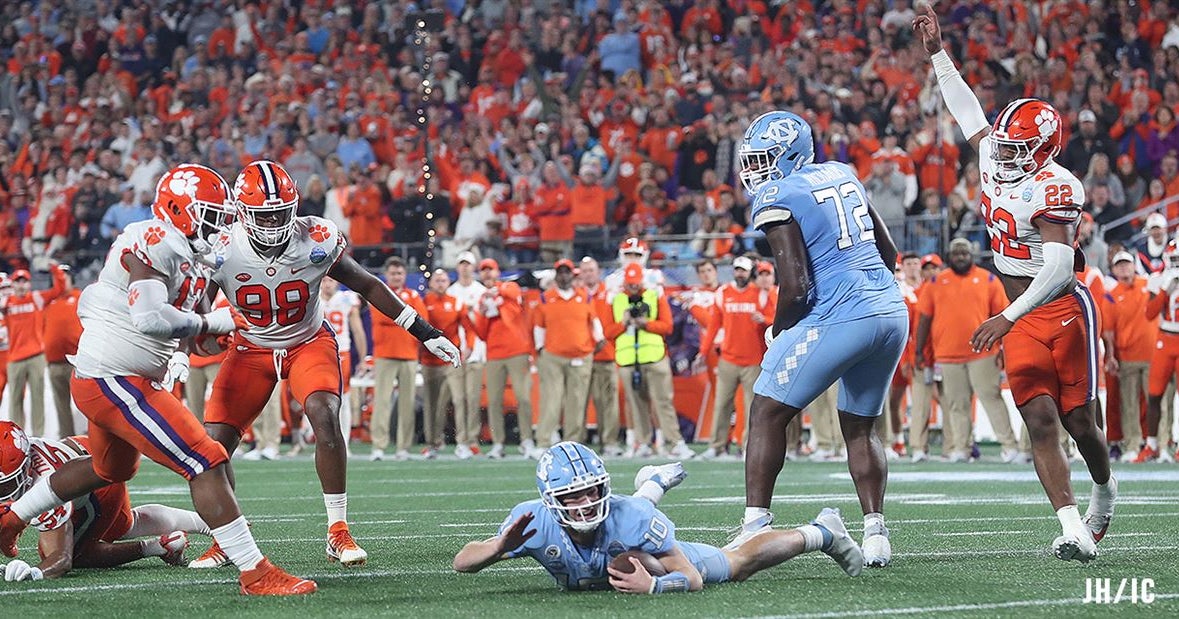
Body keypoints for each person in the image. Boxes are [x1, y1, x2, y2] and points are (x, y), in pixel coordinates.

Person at [0, 164, 315, 595]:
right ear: (177, 209)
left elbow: (193, 333)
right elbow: (149, 317)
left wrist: (221, 335)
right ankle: (255, 572)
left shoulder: (197, 254)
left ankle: (11, 518)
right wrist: (214, 320)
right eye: (209, 213)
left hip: (113, 377)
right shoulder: (152, 240)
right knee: (206, 458)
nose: (220, 223)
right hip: (113, 376)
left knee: (110, 467)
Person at [917, 6, 1116, 563]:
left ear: (1044, 152)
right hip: (1019, 313)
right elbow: (966, 109)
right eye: (1000, 145)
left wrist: (1007, 315)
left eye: (1013, 149)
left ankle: (1104, 486)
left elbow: (1056, 268)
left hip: (1062, 309)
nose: (1000, 153)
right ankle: (1072, 525)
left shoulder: (1056, 186)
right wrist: (938, 53)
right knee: (1038, 417)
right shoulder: (996, 151)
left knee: (1081, 422)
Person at [192, 161, 459, 569]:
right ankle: (229, 541)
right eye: (267, 216)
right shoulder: (223, 247)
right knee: (213, 445)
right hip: (251, 348)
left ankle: (337, 530)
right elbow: (202, 303)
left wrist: (425, 331)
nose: (277, 223)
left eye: (283, 213)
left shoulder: (314, 238)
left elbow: (367, 283)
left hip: (307, 341)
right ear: (244, 214)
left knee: (324, 414)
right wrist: (203, 332)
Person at [728, 110, 908, 570]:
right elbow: (889, 253)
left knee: (768, 409)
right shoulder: (841, 172)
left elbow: (796, 288)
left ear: (790, 155)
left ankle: (754, 526)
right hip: (889, 309)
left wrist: (778, 328)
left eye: (764, 159)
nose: (755, 171)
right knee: (860, 426)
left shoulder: (779, 192)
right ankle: (876, 533)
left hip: (842, 311)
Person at [452, 442, 862, 592]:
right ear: (550, 499)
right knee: (632, 527)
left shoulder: (628, 516)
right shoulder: (534, 522)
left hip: (647, 540)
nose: (586, 502)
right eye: (572, 495)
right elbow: (462, 564)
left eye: (593, 490)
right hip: (631, 521)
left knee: (736, 562)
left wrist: (656, 587)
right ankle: (656, 481)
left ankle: (820, 532)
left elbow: (693, 578)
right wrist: (497, 547)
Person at [0, 422, 208, 580]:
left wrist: (34, 574)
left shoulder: (42, 482)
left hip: (98, 485)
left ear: (26, 468)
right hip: (86, 451)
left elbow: (60, 560)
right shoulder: (19, 455)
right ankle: (207, 524)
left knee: (76, 553)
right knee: (127, 524)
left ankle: (155, 547)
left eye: (5, 485)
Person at [915, 238, 1021, 463]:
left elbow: (1004, 316)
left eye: (964, 253)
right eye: (956, 254)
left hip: (983, 353)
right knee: (956, 404)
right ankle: (961, 448)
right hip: (948, 355)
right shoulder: (936, 282)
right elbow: (924, 319)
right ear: (949, 257)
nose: (960, 257)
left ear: (971, 255)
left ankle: (1009, 446)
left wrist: (1003, 347)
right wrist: (919, 350)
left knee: (991, 398)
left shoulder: (989, 279)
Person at [607, 263, 695, 460]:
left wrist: (645, 323)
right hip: (628, 359)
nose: (633, 288)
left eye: (636, 284)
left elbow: (667, 326)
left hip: (654, 358)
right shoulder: (617, 300)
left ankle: (676, 443)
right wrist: (624, 323)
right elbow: (608, 332)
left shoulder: (655, 296)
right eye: (630, 284)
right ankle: (644, 443)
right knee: (636, 405)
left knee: (663, 403)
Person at [699, 256, 773, 459]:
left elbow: (775, 320)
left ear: (750, 273)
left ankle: (748, 446)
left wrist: (764, 320)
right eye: (737, 269)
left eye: (744, 270)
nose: (740, 273)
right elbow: (714, 324)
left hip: (754, 360)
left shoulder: (761, 294)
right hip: (729, 358)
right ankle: (717, 446)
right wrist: (703, 351)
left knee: (751, 407)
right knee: (722, 404)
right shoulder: (723, 292)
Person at [533, 259, 604, 449]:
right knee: (551, 400)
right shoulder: (546, 298)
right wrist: (540, 348)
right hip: (553, 356)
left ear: (573, 275)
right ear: (556, 275)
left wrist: (599, 338)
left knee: (577, 401)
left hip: (580, 355)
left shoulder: (585, 297)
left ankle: (572, 443)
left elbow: (594, 320)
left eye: (567, 272)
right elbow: (539, 326)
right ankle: (544, 441)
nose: (564, 276)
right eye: (560, 272)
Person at [473, 258, 538, 459]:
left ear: (497, 272)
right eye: (484, 271)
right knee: (494, 401)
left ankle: (527, 440)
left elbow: (514, 295)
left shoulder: (508, 287)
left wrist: (497, 294)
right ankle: (498, 443)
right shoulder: (483, 298)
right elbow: (482, 333)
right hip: (494, 354)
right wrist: (483, 314)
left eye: (490, 270)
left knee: (523, 398)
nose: (487, 274)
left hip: (517, 351)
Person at [369, 257, 427, 462]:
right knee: (382, 402)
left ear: (405, 276)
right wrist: (406, 318)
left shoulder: (413, 295)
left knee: (407, 403)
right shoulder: (379, 293)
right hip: (385, 354)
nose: (396, 276)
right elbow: (382, 317)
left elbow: (422, 320)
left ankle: (403, 447)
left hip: (409, 355)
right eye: (393, 273)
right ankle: (379, 445)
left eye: (400, 273)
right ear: (387, 274)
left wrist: (404, 319)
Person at [0, 264, 65, 437]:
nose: (21, 285)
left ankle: (38, 437)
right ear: (12, 285)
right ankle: (16, 437)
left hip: (36, 356)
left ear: (29, 284)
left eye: (24, 281)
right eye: (17, 282)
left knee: (37, 399)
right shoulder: (6, 303)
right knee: (15, 401)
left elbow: (59, 289)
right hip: (14, 359)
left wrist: (54, 269)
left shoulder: (36, 298)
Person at [1103, 251, 1155, 463]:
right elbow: (1108, 331)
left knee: (1156, 403)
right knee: (1129, 404)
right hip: (1127, 356)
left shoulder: (1149, 285)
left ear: (1135, 266)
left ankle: (1156, 445)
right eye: (1120, 265)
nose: (1124, 268)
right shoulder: (1112, 295)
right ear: (1114, 270)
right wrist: (1111, 356)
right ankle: (1132, 444)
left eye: (1127, 264)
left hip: (1153, 355)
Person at [421, 269, 474, 458]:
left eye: (444, 280)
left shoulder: (456, 302)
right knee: (431, 403)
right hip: (429, 360)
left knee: (460, 400)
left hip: (451, 359)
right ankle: (433, 443)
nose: (441, 283)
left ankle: (463, 442)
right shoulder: (424, 302)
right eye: (437, 280)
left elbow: (469, 327)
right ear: (431, 283)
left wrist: (469, 346)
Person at [578, 258, 626, 456]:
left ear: (598, 272)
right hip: (581, 355)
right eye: (585, 271)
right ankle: (577, 444)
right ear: (580, 273)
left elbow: (620, 322)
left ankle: (610, 442)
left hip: (605, 355)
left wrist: (604, 339)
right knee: (577, 402)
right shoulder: (576, 294)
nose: (589, 274)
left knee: (608, 401)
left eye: (592, 270)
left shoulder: (610, 294)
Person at [446, 252, 488, 460]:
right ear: (457, 267)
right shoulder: (450, 291)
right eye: (461, 264)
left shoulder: (481, 291)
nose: (465, 268)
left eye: (468, 265)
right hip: (455, 352)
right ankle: (461, 440)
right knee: (458, 399)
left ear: (474, 268)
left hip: (476, 352)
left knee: (472, 399)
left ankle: (472, 439)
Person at [319, 275, 367, 452]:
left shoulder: (346, 299)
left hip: (341, 353)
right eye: (324, 280)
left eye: (330, 280)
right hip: (318, 353)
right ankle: (323, 442)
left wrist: (362, 358)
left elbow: (358, 330)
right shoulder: (313, 298)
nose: (327, 284)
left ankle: (344, 443)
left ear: (337, 282)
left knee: (343, 399)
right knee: (319, 398)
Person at [1142, 241, 1179, 463]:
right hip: (1164, 339)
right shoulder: (1159, 279)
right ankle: (1152, 444)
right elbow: (1149, 313)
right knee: (1154, 394)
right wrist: (1165, 289)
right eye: (1174, 260)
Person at [42, 265, 82, 438]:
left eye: (65, 276)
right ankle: (68, 439)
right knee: (61, 405)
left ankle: (95, 438)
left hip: (78, 362)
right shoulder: (48, 302)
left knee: (87, 401)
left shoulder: (80, 297)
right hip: (54, 363)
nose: (62, 279)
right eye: (59, 276)